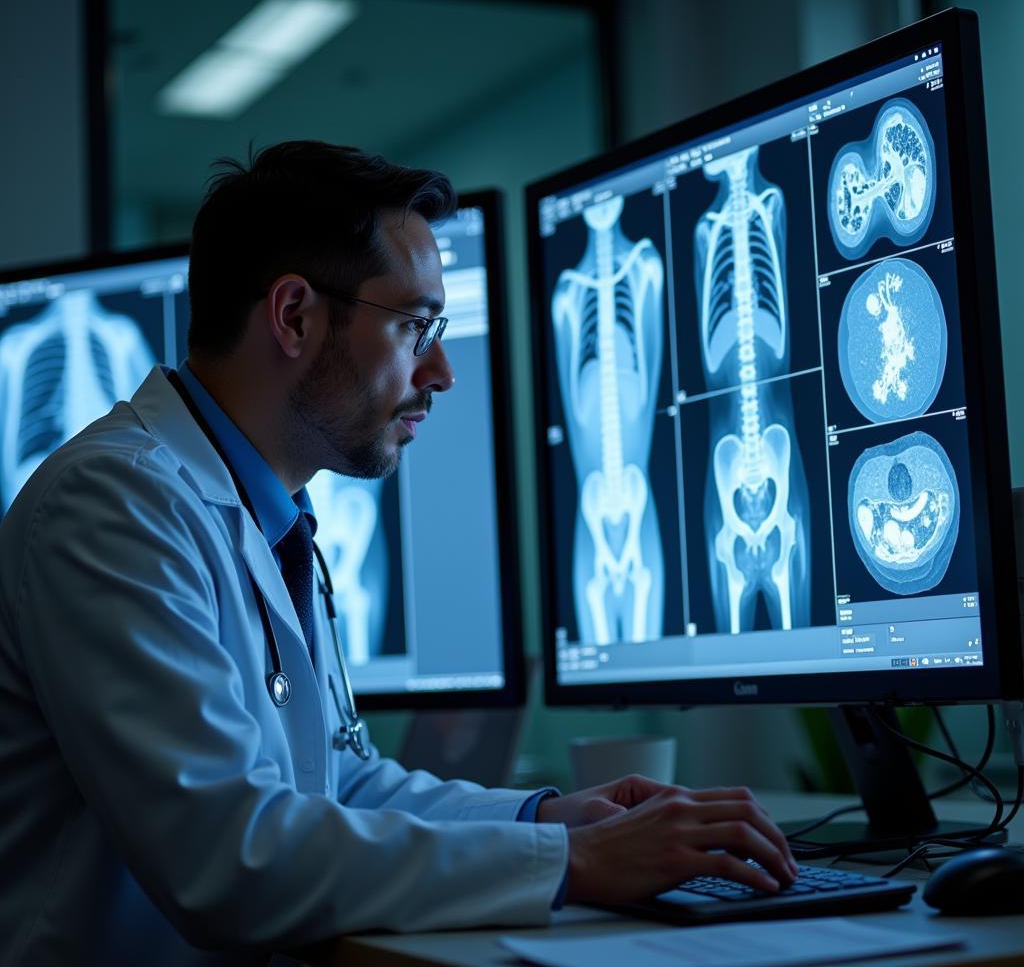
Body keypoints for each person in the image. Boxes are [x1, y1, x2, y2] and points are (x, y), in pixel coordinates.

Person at [0, 141, 797, 964]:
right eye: (417, 326)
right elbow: (228, 857)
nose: (443, 371)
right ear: (295, 316)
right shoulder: (111, 508)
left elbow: (339, 784)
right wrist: (579, 863)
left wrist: (548, 820)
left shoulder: (268, 515)